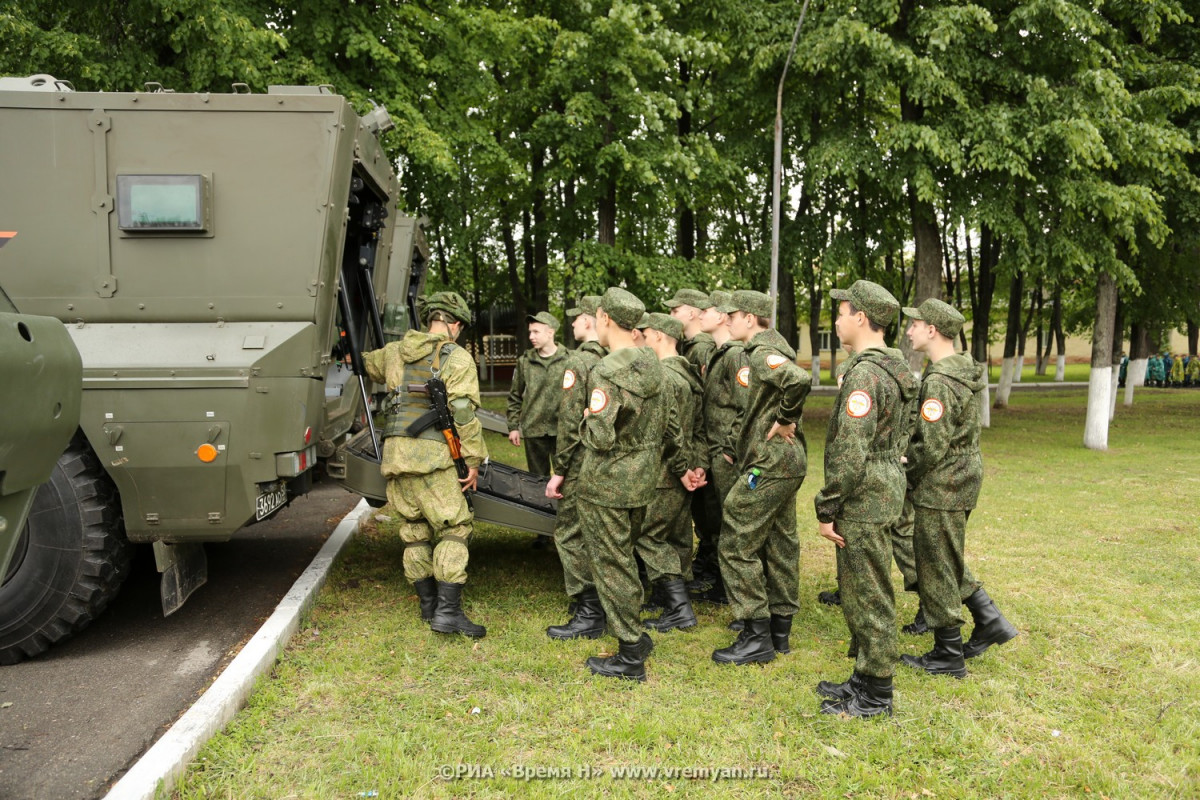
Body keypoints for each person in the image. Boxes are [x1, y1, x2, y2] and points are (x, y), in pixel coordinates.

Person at [545, 288, 691, 681]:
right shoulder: (655, 365)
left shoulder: (607, 371)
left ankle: (629, 653)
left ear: (605, 319)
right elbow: (673, 428)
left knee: (612, 566)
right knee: (624, 558)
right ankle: (635, 640)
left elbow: (601, 437)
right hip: (644, 481)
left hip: (606, 483)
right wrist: (681, 465)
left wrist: (585, 425)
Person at [813, 280, 918, 718]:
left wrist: (827, 505)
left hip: (865, 493)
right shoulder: (895, 368)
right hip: (884, 481)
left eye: (842, 312)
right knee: (860, 589)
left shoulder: (864, 373)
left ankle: (877, 694)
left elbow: (850, 449)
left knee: (869, 591)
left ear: (861, 318)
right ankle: (863, 677)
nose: (836, 319)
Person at [899, 299, 1018, 678]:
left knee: (934, 563)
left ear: (932, 330)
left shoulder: (940, 380)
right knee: (945, 556)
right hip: (960, 477)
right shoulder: (958, 371)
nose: (909, 331)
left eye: (914, 325)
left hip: (943, 483)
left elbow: (930, 445)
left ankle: (947, 653)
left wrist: (907, 468)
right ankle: (990, 621)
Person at [363, 291, 488, 638]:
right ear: (456, 324)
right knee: (453, 528)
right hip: (432, 458)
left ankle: (428, 606)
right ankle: (448, 614)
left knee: (414, 532)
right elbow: (462, 412)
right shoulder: (456, 357)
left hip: (395, 457)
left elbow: (363, 363)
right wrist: (473, 459)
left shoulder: (393, 353)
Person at [712, 290, 811, 665]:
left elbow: (798, 380)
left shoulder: (759, 353)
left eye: (733, 315)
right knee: (782, 539)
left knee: (736, 535)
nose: (728, 321)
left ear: (750, 319)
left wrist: (785, 418)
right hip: (784, 462)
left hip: (769, 463)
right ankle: (779, 631)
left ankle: (755, 633)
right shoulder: (773, 349)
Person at [635, 313, 707, 632]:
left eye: (647, 335)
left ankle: (679, 608)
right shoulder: (690, 377)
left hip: (665, 470)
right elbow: (700, 430)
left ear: (661, 337)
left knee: (648, 535)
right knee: (677, 535)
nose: (644, 341)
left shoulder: (663, 377)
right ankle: (670, 598)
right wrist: (697, 465)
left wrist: (680, 469)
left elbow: (665, 431)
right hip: (685, 467)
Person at [544, 296, 608, 640]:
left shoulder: (580, 362)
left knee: (570, 532)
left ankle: (589, 612)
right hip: (612, 463)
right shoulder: (617, 359)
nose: (571, 324)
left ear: (591, 321)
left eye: (577, 318)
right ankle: (603, 605)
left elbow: (570, 423)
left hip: (583, 460)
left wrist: (560, 470)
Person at [689, 290, 749, 604]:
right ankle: (724, 582)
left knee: (731, 521)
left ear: (723, 315)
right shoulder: (719, 352)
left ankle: (730, 587)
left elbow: (746, 406)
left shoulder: (736, 354)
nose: (701, 313)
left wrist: (729, 448)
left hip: (728, 455)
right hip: (714, 452)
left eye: (708, 309)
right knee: (719, 520)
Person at [506, 311, 569, 476]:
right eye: (530, 332)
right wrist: (513, 427)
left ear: (550, 333)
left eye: (536, 332)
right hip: (534, 431)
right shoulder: (525, 362)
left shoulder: (569, 360)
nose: (531, 336)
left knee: (566, 479)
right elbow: (514, 396)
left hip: (561, 431)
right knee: (537, 480)